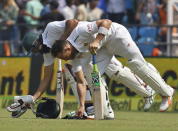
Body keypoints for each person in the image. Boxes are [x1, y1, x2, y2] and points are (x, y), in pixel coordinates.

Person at [7, 19, 154, 119]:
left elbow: (73, 22)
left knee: (115, 71)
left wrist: (63, 40)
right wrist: (32, 98)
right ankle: (96, 109)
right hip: (83, 54)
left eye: (34, 50)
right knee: (77, 74)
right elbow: (46, 78)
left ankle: (147, 90)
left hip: (94, 41)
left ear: (36, 42)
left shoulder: (50, 29)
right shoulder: (47, 52)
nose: (35, 53)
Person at [50, 19, 174, 116]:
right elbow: (81, 82)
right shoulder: (75, 56)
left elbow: (106, 22)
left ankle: (167, 94)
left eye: (64, 56)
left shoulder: (80, 31)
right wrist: (81, 105)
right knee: (93, 77)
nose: (65, 60)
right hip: (104, 49)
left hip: (116, 35)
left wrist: (97, 40)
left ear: (67, 48)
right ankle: (104, 111)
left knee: (136, 64)